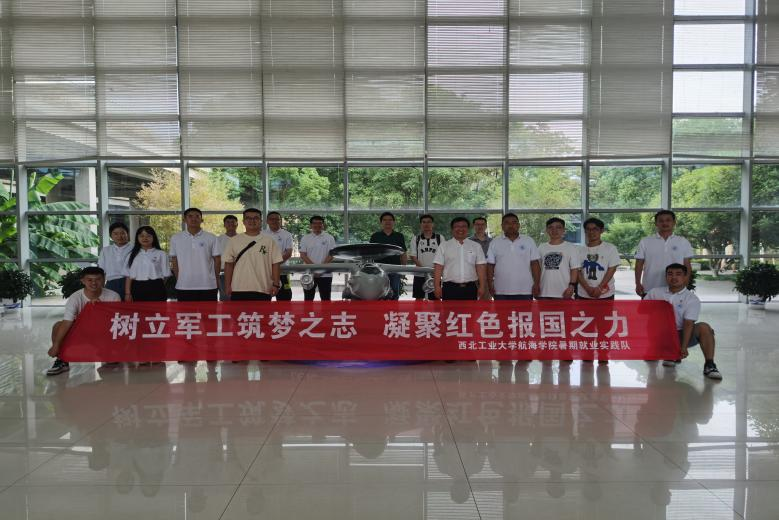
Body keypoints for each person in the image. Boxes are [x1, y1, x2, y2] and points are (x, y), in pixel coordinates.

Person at [645, 263, 722, 380]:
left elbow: (688, 323)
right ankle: (666, 353)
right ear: (666, 277)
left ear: (685, 277)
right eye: (670, 274)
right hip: (660, 335)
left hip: (680, 335)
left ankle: (710, 365)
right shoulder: (654, 292)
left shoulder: (691, 299)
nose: (674, 277)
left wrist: (683, 348)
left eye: (678, 274)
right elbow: (641, 311)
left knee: (704, 327)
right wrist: (658, 308)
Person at [46, 266, 121, 376]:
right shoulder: (75, 297)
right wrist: (56, 345)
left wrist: (101, 308)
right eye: (89, 280)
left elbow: (117, 322)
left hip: (104, 331)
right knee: (58, 325)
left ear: (104, 279)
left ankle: (108, 352)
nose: (94, 283)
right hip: (82, 332)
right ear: (83, 281)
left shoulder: (113, 296)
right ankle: (62, 360)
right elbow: (67, 322)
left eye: (98, 279)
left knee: (112, 361)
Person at [222, 208, 282, 301]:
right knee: (239, 311)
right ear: (243, 221)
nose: (252, 221)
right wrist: (227, 285)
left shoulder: (269, 241)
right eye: (248, 218)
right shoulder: (234, 241)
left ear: (261, 221)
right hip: (238, 288)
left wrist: (276, 284)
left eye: (255, 218)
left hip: (263, 288)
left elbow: (276, 264)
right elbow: (228, 265)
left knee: (262, 311)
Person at [635, 210, 694, 297]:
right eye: (661, 221)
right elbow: (639, 265)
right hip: (650, 288)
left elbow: (687, 265)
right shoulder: (645, 241)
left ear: (674, 222)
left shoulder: (683, 241)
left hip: (676, 288)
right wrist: (637, 283)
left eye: (668, 220)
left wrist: (685, 284)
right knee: (649, 307)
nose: (664, 223)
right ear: (656, 223)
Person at [169, 208, 221, 302]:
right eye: (190, 216)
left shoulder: (211, 237)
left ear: (202, 220)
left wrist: (216, 279)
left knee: (208, 311)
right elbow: (174, 260)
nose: (194, 219)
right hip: (184, 285)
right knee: (185, 311)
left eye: (197, 216)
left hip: (208, 285)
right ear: (184, 220)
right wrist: (179, 278)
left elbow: (217, 259)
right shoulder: (176, 238)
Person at [486, 213, 541, 300]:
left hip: (525, 289)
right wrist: (490, 285)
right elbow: (490, 265)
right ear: (502, 226)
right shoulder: (495, 242)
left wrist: (537, 284)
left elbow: (535, 264)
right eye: (507, 223)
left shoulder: (529, 241)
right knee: (501, 310)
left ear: (518, 225)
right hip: (500, 290)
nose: (511, 225)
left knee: (525, 310)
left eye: (514, 222)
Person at [433, 217, 487, 300]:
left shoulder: (476, 246)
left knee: (470, 309)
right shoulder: (444, 246)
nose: (460, 229)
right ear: (452, 229)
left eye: (463, 226)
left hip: (471, 288)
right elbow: (438, 267)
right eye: (457, 226)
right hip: (449, 288)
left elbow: (480, 267)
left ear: (468, 229)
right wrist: (437, 286)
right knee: (449, 309)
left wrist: (482, 286)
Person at [577, 217, 621, 300]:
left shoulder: (610, 248)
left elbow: (611, 270)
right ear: (585, 231)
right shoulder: (579, 250)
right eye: (588, 229)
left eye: (595, 229)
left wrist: (600, 288)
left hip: (606, 293)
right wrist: (587, 288)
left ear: (602, 230)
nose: (591, 232)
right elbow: (577, 271)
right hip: (584, 293)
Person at [124, 226, 171, 303]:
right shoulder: (131, 255)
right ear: (137, 238)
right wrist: (127, 293)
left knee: (157, 310)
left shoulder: (161, 254)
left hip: (157, 287)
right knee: (139, 310)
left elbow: (166, 275)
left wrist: (156, 284)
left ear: (153, 237)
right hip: (137, 287)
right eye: (141, 236)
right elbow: (128, 276)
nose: (145, 238)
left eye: (148, 236)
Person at [537, 217, 580, 300]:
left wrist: (571, 286)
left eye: (558, 227)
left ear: (564, 230)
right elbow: (537, 269)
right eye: (551, 227)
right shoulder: (541, 247)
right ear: (547, 230)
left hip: (564, 292)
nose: (554, 230)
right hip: (544, 292)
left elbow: (574, 269)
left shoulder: (571, 247)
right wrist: (536, 285)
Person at [370, 212, 407, 300]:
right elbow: (370, 254)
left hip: (395, 269)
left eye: (390, 220)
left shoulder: (399, 236)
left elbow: (403, 253)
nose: (387, 222)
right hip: (379, 270)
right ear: (381, 222)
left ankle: (394, 309)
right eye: (385, 220)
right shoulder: (375, 236)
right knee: (379, 294)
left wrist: (403, 269)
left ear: (393, 222)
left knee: (394, 293)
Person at [299, 215, 336, 301]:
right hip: (309, 274)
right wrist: (314, 269)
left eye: (320, 223)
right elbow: (303, 255)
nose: (317, 225)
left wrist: (321, 269)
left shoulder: (329, 238)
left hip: (326, 274)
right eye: (315, 223)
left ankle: (325, 311)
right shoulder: (305, 238)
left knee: (326, 299)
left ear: (323, 225)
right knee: (308, 299)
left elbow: (332, 254)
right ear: (311, 225)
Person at [409, 214, 442, 300]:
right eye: (424, 222)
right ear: (421, 224)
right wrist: (423, 269)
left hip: (435, 274)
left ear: (433, 224)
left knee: (436, 298)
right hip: (419, 273)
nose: (426, 224)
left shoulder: (439, 238)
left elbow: (443, 255)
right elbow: (413, 256)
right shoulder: (416, 239)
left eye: (429, 222)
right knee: (419, 298)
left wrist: (436, 269)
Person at [264, 211, 294, 301]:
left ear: (281, 221)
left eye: (277, 219)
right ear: (267, 221)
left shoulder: (287, 234)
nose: (274, 221)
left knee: (285, 297)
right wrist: (269, 265)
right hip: (265, 272)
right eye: (272, 219)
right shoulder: (261, 234)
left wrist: (275, 264)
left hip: (283, 271)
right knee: (264, 298)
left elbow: (288, 253)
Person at [98, 222, 132, 300]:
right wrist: (99, 291)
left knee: (130, 306)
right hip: (111, 284)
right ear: (111, 236)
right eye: (115, 234)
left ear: (127, 234)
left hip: (131, 284)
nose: (119, 236)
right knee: (111, 307)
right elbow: (101, 272)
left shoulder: (135, 249)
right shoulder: (105, 250)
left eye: (122, 233)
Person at [216, 215, 239, 301]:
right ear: (224, 225)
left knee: (239, 298)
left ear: (237, 224)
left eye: (233, 222)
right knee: (225, 298)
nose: (230, 224)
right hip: (223, 274)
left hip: (240, 273)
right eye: (228, 222)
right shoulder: (218, 240)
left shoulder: (242, 239)